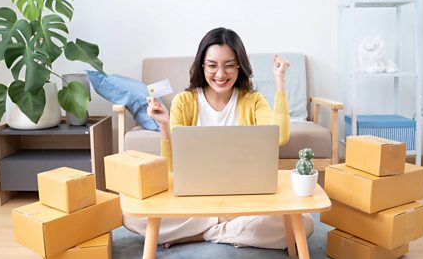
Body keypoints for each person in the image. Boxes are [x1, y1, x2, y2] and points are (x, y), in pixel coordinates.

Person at [123, 27, 314, 249]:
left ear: (239, 66)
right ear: (202, 66)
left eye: (229, 65)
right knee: (131, 215)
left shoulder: (253, 100)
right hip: (195, 201)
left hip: (244, 199)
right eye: (212, 65)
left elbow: (279, 137)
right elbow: (172, 170)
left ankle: (201, 234)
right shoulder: (184, 101)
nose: (220, 74)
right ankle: (223, 226)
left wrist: (280, 81)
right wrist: (164, 125)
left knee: (304, 223)